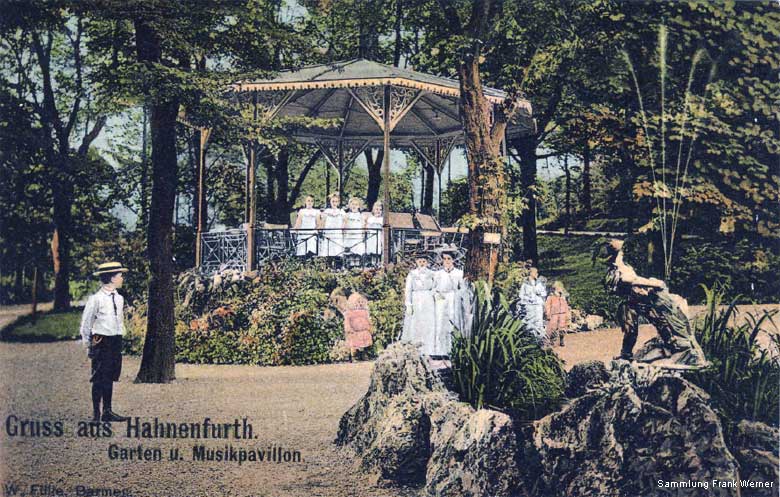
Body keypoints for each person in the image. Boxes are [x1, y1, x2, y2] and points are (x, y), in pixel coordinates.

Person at [604, 239, 707, 367]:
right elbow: (629, 280)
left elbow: (634, 279)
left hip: (643, 300)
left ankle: (670, 343)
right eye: (622, 250)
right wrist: (654, 283)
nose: (624, 252)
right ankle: (626, 354)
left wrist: (652, 284)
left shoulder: (625, 267)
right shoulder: (617, 270)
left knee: (659, 320)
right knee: (631, 329)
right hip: (630, 303)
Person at [79, 262, 131, 423]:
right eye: (120, 275)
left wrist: (122, 335)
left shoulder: (119, 298)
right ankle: (96, 414)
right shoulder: (96, 299)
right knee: (98, 377)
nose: (122, 278)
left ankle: (107, 411)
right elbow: (86, 324)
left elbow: (119, 320)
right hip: (101, 341)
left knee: (110, 376)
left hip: (115, 340)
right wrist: (89, 345)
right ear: (111, 278)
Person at [401, 255, 437, 356]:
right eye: (420, 261)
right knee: (416, 322)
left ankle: (429, 349)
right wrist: (408, 304)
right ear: (416, 262)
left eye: (424, 261)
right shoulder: (412, 274)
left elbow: (435, 287)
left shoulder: (432, 274)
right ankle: (416, 348)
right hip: (416, 299)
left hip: (428, 300)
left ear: (427, 263)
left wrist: (433, 294)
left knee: (428, 322)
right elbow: (408, 290)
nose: (422, 263)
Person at [433, 250, 466, 357]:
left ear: (453, 260)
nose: (447, 261)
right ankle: (440, 351)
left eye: (449, 259)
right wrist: (437, 295)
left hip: (453, 299)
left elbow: (463, 288)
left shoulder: (459, 273)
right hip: (441, 300)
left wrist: (457, 294)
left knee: (452, 322)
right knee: (440, 323)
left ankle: (452, 350)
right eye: (445, 259)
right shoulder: (438, 274)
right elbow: (433, 289)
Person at [518, 267, 547, 341]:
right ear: (531, 273)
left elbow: (544, 293)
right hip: (529, 306)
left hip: (537, 305)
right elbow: (521, 295)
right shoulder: (525, 284)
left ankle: (540, 340)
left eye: (537, 273)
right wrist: (527, 299)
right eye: (535, 272)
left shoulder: (539, 283)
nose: (537, 274)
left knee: (539, 322)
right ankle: (530, 339)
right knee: (530, 322)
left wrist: (539, 291)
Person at [344, 292, 372, 361]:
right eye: (357, 302)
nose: (359, 304)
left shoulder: (365, 312)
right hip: (354, 332)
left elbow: (368, 320)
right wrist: (348, 328)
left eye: (361, 302)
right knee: (354, 345)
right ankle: (353, 356)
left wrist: (370, 327)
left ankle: (363, 355)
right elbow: (347, 321)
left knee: (363, 344)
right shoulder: (349, 313)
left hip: (363, 331)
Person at [544, 280, 571, 347]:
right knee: (552, 327)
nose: (559, 289)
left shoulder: (562, 297)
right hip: (554, 314)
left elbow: (566, 305)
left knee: (562, 327)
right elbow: (547, 306)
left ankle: (561, 339)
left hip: (562, 313)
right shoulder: (551, 297)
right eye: (557, 288)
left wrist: (567, 314)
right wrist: (548, 313)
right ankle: (551, 340)